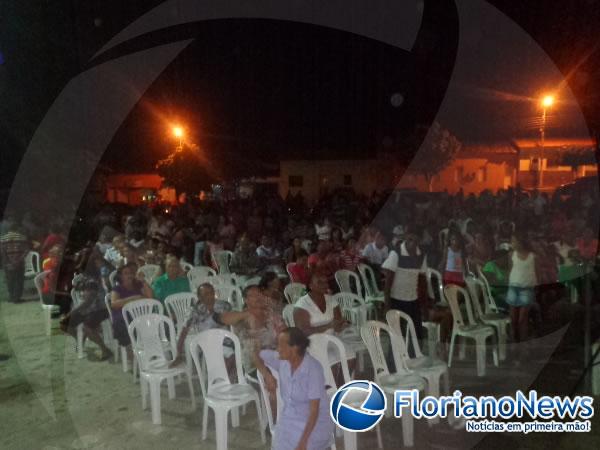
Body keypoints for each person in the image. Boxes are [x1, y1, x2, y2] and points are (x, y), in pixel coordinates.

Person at [254, 327, 334, 450]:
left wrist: (303, 443)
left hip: (314, 423)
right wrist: (267, 375)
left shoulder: (313, 369)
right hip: (290, 419)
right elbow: (257, 354)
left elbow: (314, 411)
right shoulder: (283, 361)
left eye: (281, 345)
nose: (277, 349)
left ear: (294, 348)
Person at [170, 283, 251, 367]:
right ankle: (224, 377)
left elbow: (235, 323)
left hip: (229, 340)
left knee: (247, 353)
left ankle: (231, 376)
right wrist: (178, 355)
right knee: (230, 358)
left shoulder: (224, 305)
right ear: (199, 297)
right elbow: (184, 332)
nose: (210, 296)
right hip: (209, 344)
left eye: (211, 293)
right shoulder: (194, 311)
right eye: (206, 294)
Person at [382, 230, 427, 343]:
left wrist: (424, 306)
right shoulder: (396, 253)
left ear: (419, 242)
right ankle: (393, 360)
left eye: (415, 241)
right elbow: (388, 283)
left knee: (417, 335)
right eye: (410, 239)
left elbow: (422, 282)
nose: (412, 243)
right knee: (396, 336)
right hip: (396, 300)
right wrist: (387, 306)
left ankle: (413, 358)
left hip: (413, 300)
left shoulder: (421, 256)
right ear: (406, 237)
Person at [60, 277, 113, 360]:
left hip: (100, 310)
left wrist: (71, 312)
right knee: (64, 324)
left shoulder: (92, 282)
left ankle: (105, 349)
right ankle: (79, 338)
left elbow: (87, 302)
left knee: (87, 328)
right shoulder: (80, 279)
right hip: (85, 311)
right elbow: (80, 302)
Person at [506, 233, 538, 349]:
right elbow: (510, 271)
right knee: (513, 320)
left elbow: (537, 273)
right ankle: (515, 343)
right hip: (513, 288)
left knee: (522, 319)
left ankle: (523, 344)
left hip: (527, 289)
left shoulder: (532, 256)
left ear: (520, 242)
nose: (512, 243)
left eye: (514, 241)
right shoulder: (511, 255)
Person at [110, 262, 153, 346]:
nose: (129, 275)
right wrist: (133, 299)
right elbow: (114, 304)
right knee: (125, 321)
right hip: (123, 315)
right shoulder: (118, 288)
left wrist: (143, 281)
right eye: (126, 273)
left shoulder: (138, 285)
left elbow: (151, 298)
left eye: (131, 273)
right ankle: (129, 347)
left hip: (139, 313)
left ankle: (150, 345)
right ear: (121, 276)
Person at [0, 220, 29, 303]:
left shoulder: (3, 238)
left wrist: (8, 262)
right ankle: (17, 298)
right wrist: (19, 260)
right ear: (17, 228)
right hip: (19, 263)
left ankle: (11, 297)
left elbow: (2, 252)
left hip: (7, 263)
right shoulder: (22, 237)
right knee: (19, 279)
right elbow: (26, 250)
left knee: (10, 280)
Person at [42, 244, 72, 316]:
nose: (60, 254)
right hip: (49, 294)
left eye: (61, 252)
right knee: (67, 298)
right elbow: (51, 288)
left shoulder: (65, 263)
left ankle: (62, 314)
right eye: (58, 252)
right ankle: (63, 315)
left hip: (59, 291)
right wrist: (66, 293)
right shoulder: (47, 263)